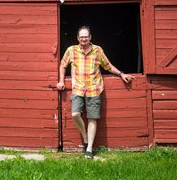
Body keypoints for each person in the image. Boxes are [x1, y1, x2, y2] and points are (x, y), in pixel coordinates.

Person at [56, 26, 133, 159]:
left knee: (92, 118)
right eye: (81, 37)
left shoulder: (98, 50)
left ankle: (89, 148)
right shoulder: (71, 50)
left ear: (90, 37)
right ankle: (85, 138)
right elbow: (63, 65)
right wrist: (61, 81)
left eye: (86, 36)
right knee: (75, 114)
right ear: (77, 38)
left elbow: (107, 66)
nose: (84, 39)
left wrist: (121, 74)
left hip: (94, 89)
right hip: (78, 88)